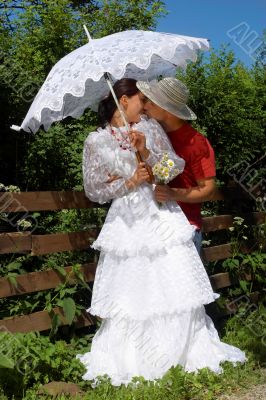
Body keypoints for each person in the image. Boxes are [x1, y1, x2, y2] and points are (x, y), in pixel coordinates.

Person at [77, 78, 246, 387]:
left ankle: (181, 353)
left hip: (161, 210)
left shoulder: (151, 129)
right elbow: (94, 190)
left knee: (171, 279)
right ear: (123, 100)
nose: (146, 105)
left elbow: (175, 167)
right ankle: (136, 356)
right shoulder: (95, 141)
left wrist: (148, 154)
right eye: (142, 99)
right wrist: (128, 182)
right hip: (127, 220)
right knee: (134, 284)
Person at [137, 78, 216, 253]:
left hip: (185, 228)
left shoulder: (196, 143)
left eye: (151, 102)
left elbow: (209, 190)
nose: (145, 106)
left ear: (166, 110)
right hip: (153, 227)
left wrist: (173, 193)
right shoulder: (152, 134)